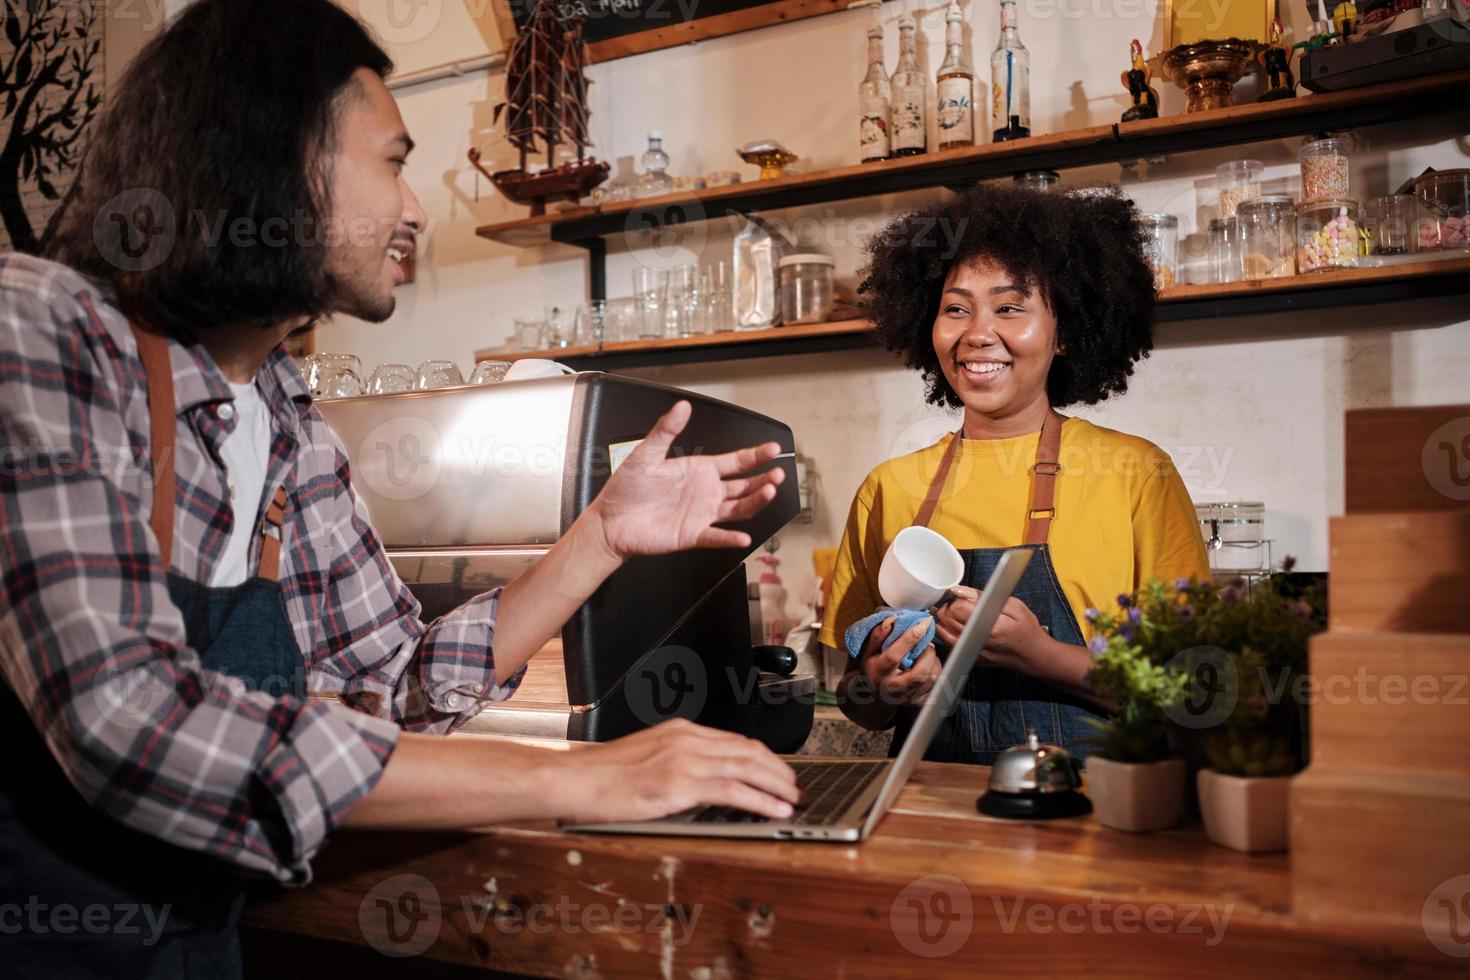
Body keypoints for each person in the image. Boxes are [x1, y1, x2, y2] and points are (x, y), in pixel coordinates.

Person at [0, 2, 799, 976]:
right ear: (273, 155)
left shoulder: (285, 412)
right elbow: (127, 718)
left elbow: (394, 687)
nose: (416, 208)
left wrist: (601, 535)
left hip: (198, 943)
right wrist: (583, 776)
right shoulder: (40, 330)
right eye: (393, 160)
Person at [819, 182, 1210, 765]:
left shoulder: (1134, 473)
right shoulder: (888, 488)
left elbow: (1192, 692)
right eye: (956, 308)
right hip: (934, 817)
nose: (977, 332)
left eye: (1009, 307)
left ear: (1066, 333)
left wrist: (1040, 654)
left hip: (1089, 816)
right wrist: (883, 684)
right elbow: (857, 700)